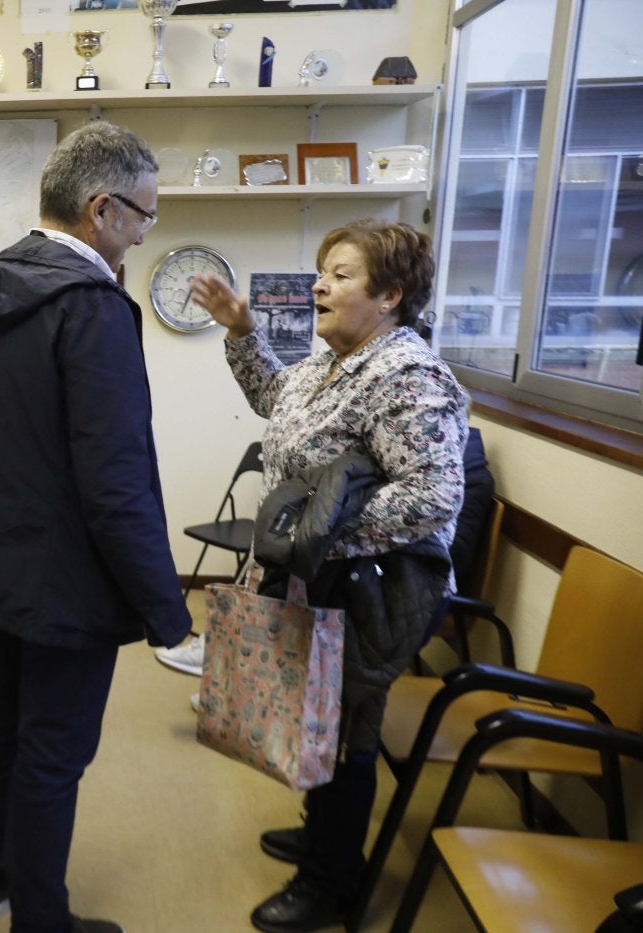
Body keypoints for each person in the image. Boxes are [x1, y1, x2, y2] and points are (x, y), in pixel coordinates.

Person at [0, 121, 193, 933]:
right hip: (66, 577)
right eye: (145, 217)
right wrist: (168, 609)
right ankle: (40, 923)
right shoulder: (92, 306)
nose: (147, 232)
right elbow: (116, 482)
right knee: (51, 753)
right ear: (101, 209)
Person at [189, 218, 468, 933]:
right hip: (324, 579)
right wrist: (240, 331)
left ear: (391, 295)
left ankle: (331, 880)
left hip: (373, 585)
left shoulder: (407, 372)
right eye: (323, 271)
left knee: (346, 731)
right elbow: (274, 404)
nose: (320, 284)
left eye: (341, 275)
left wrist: (325, 528)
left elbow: (435, 494)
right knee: (316, 710)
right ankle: (322, 834)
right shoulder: (331, 364)